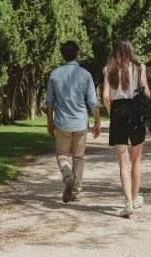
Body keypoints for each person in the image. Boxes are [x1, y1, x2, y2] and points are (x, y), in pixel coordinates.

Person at [45, 41, 101, 203]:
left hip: (62, 122)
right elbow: (93, 102)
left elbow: (50, 102)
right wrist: (97, 122)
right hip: (80, 123)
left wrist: (50, 121)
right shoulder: (85, 74)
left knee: (62, 154)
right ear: (77, 53)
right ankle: (75, 191)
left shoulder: (54, 74)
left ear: (62, 55)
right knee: (78, 158)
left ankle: (67, 176)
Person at [102, 40, 151, 218]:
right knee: (136, 159)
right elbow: (147, 93)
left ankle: (128, 202)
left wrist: (112, 112)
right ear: (131, 51)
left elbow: (106, 96)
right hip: (136, 114)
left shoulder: (109, 69)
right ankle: (136, 197)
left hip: (118, 113)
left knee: (123, 161)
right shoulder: (139, 68)